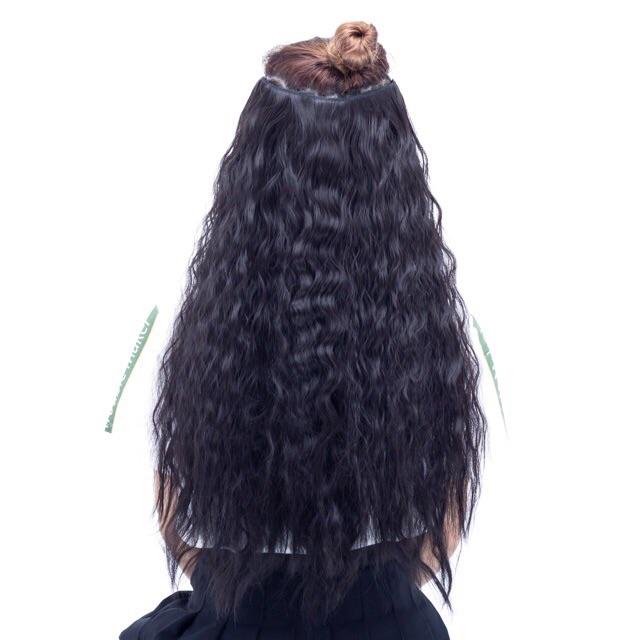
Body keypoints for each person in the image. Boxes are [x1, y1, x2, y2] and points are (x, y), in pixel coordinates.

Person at [119, 20, 487, 640]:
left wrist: (238, 597)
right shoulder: (455, 335)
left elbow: (171, 513)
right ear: (394, 164)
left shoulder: (170, 327)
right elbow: (447, 521)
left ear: (254, 158)